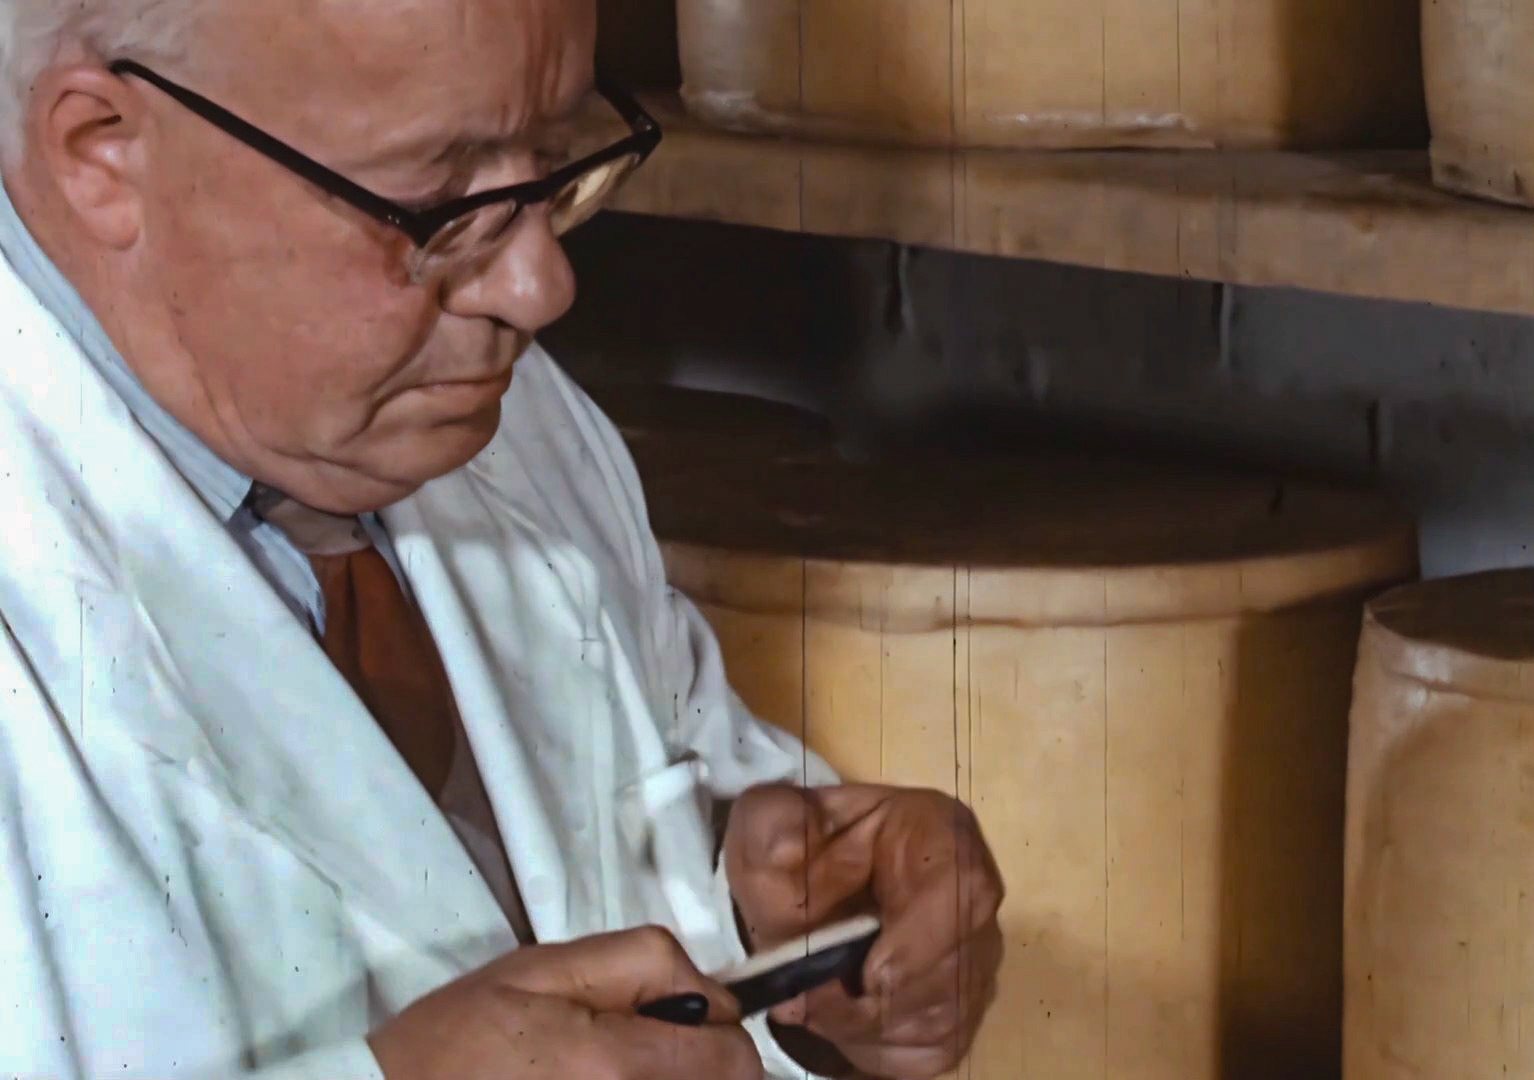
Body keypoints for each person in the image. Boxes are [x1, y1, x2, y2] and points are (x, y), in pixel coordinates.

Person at [0, 2, 1004, 1078]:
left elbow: (634, 831)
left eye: (552, 157)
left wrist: (786, 933)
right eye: (434, 199)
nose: (541, 286)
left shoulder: (499, 423)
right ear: (100, 149)